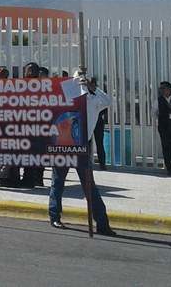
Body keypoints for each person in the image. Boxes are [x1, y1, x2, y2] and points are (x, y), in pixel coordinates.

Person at [48, 70, 116, 236]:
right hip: (65, 143)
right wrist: (76, 82)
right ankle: (54, 216)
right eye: (80, 79)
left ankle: (102, 222)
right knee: (58, 181)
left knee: (89, 185)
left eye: (85, 80)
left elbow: (109, 101)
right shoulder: (69, 93)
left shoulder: (94, 99)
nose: (83, 82)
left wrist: (93, 87)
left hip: (83, 146)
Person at [89, 77, 108, 169]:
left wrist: (97, 112)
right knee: (89, 143)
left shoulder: (98, 94)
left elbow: (106, 105)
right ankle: (90, 164)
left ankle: (102, 163)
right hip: (92, 120)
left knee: (99, 143)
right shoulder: (86, 94)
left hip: (97, 121)